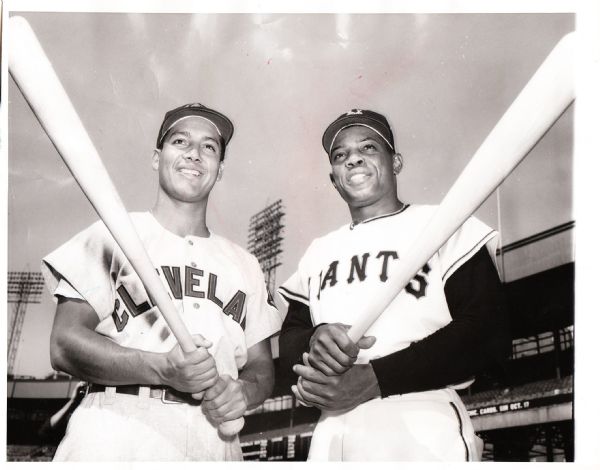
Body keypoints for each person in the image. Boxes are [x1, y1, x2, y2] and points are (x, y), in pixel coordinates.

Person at [41, 103, 282, 461]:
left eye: (209, 147)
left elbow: (261, 367)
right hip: (118, 427)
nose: (194, 154)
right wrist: (162, 369)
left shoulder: (245, 264)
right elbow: (64, 344)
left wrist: (244, 393)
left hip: (215, 439)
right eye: (180, 141)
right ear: (157, 158)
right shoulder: (112, 234)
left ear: (220, 170)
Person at [278, 109, 510, 461]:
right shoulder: (319, 250)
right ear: (334, 178)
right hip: (332, 428)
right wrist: (315, 338)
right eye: (340, 155)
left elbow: (488, 329)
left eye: (369, 147)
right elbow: (291, 337)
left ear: (396, 162)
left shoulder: (444, 222)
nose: (353, 158)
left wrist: (377, 378)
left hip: (422, 414)